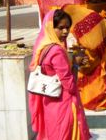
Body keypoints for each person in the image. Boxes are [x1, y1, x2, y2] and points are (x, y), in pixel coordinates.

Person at [29, 9, 91, 140]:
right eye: (60, 28)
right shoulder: (57, 51)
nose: (65, 32)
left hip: (50, 103)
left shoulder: (43, 47)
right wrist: (75, 64)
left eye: (67, 27)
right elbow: (69, 85)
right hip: (64, 104)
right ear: (51, 28)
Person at [62, 4, 106, 111]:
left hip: (104, 43)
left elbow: (92, 44)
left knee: (103, 70)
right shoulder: (80, 18)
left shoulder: (83, 21)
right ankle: (95, 96)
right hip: (103, 41)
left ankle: (102, 98)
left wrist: (80, 56)